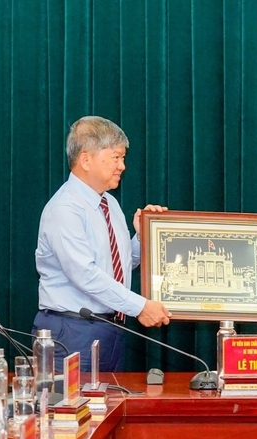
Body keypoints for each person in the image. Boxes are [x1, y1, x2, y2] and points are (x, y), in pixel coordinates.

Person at [32, 116, 172, 372]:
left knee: (107, 409)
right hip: (72, 331)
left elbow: (119, 266)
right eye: (116, 157)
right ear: (86, 160)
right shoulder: (65, 209)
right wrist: (140, 306)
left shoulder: (110, 204)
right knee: (68, 410)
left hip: (110, 329)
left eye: (123, 158)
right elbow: (85, 275)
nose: (123, 166)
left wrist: (142, 238)